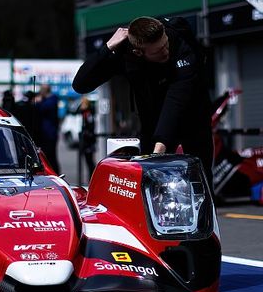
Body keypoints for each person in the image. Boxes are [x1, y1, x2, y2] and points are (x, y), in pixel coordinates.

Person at [72, 16, 213, 185]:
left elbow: (176, 100)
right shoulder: (127, 53)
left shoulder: (181, 45)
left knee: (201, 179)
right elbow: (80, 84)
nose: (166, 51)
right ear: (138, 51)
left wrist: (159, 147)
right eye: (158, 51)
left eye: (165, 44)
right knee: (150, 183)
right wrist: (108, 47)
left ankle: (205, 210)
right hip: (152, 119)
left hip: (193, 115)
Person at [32, 83, 61, 173]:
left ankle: (55, 172)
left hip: (49, 133)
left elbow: (43, 108)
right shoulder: (47, 100)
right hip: (45, 132)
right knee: (47, 156)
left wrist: (38, 102)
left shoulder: (51, 100)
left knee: (50, 156)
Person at [77, 96, 97, 179]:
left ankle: (92, 177)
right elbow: (77, 110)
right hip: (85, 140)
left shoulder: (89, 113)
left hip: (89, 141)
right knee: (87, 160)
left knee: (90, 161)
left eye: (84, 103)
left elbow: (91, 126)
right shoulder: (84, 113)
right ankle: (91, 177)